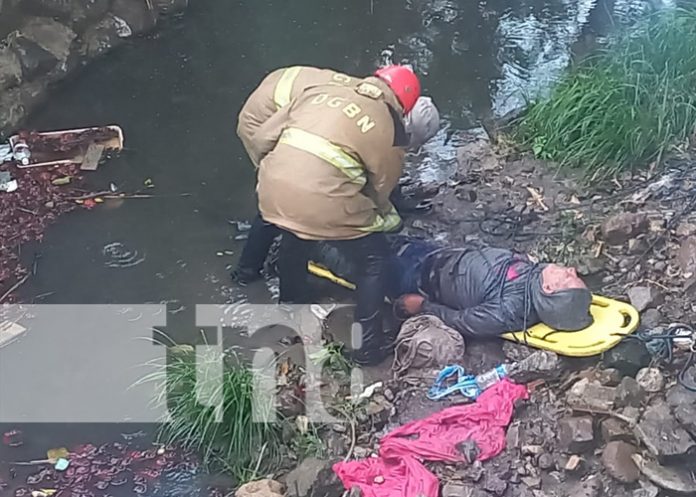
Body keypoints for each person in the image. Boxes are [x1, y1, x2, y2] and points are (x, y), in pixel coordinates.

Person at [242, 64, 423, 365]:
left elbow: (262, 139)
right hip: (322, 200)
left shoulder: (324, 89)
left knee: (296, 233)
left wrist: (280, 174)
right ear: (405, 105)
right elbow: (382, 188)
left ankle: (291, 305)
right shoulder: (390, 125)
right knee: (374, 260)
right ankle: (368, 349)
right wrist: (377, 219)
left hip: (271, 189)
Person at [231, 65, 440, 286]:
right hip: (263, 118)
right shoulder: (377, 118)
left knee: (289, 196)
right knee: (292, 208)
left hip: (277, 99)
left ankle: (249, 272)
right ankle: (258, 278)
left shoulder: (366, 93)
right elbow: (378, 182)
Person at [310, 236, 594, 338]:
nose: (572, 270)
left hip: (415, 279)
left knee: (351, 261)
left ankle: (308, 243)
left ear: (548, 289)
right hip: (434, 255)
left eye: (569, 278)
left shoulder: (509, 310)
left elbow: (463, 321)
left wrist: (422, 307)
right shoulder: (533, 275)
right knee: (373, 238)